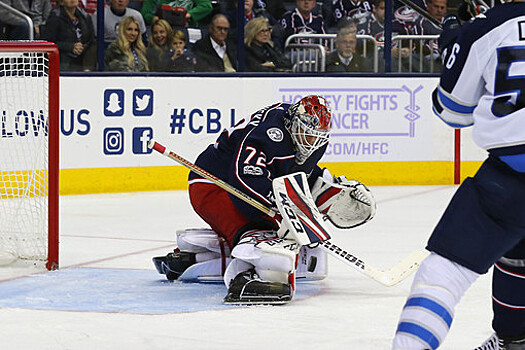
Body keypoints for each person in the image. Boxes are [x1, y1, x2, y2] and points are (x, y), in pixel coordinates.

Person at [152, 95, 376, 304]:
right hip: (214, 185)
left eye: (316, 137)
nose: (310, 142)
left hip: (244, 184)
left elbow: (294, 175)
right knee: (271, 248)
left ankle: (201, 257)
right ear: (294, 125)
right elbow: (243, 178)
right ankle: (245, 276)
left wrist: (329, 188)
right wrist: (280, 212)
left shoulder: (311, 138)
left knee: (309, 255)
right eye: (307, 134)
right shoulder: (269, 133)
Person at [392, 2, 525, 349]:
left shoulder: (489, 26)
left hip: (512, 180)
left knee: (444, 272)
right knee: (518, 256)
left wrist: (454, 44)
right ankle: (515, 339)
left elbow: (453, 112)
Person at [43, 0, 96, 71]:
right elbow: (48, 43)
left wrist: (82, 47)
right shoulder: (55, 17)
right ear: (61, 2)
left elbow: (91, 39)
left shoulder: (85, 17)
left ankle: (88, 70)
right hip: (64, 59)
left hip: (83, 57)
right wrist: (70, 47)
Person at [140, 0, 212, 28]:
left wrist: (188, 14)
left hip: (187, 29)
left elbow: (207, 6)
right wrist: (155, 19)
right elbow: (145, 13)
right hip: (163, 29)